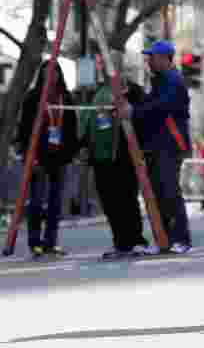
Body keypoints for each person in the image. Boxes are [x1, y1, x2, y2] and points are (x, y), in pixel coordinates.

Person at [116, 39, 193, 254]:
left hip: (170, 144)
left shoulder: (172, 80)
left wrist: (134, 112)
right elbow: (148, 104)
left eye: (152, 57)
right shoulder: (160, 80)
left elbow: (160, 107)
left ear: (164, 59)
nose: (148, 61)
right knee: (159, 193)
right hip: (158, 145)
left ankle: (181, 239)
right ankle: (166, 239)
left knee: (169, 192)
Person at [80, 71, 149, 259]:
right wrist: (85, 147)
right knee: (110, 203)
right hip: (101, 160)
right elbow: (89, 122)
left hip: (124, 157)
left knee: (127, 199)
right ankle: (121, 243)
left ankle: (135, 240)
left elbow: (143, 117)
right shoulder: (97, 93)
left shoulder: (133, 91)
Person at [15, 61, 80, 258]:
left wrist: (72, 152)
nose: (52, 77)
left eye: (55, 73)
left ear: (60, 75)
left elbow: (71, 127)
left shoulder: (65, 97)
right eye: (47, 73)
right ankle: (35, 242)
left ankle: (50, 242)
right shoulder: (33, 98)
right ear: (41, 75)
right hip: (38, 157)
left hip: (59, 157)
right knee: (36, 201)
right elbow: (24, 129)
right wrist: (28, 155)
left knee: (55, 202)